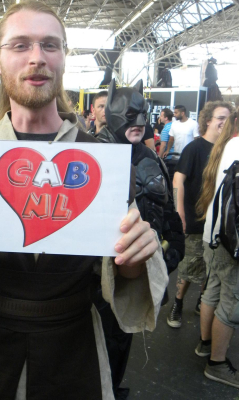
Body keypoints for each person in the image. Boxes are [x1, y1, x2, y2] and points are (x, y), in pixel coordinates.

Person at [0, 2, 167, 399]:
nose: (37, 57)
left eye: (49, 45)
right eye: (20, 45)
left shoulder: (99, 161)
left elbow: (125, 262)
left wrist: (134, 261)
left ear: (63, 57)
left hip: (75, 346)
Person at [96, 79, 184, 398]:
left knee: (123, 337)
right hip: (98, 277)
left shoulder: (150, 157)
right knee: (98, 346)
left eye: (143, 115)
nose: (140, 122)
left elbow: (167, 208)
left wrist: (173, 247)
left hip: (139, 270)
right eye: (130, 115)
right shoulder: (91, 155)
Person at [167, 101, 233, 329]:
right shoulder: (195, 148)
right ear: (208, 121)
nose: (225, 122)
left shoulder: (228, 149)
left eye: (228, 118)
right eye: (220, 118)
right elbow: (178, 180)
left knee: (210, 270)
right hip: (195, 221)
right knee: (188, 268)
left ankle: (201, 302)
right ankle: (177, 303)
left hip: (219, 223)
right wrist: (180, 213)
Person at [195, 111, 239, 387]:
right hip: (231, 240)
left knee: (212, 289)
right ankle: (217, 364)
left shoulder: (228, 144)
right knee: (232, 301)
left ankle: (206, 344)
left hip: (213, 233)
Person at [158, 108, 176, 182]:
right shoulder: (175, 126)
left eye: (161, 116)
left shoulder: (165, 129)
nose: (160, 117)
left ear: (166, 118)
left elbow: (163, 146)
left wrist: (159, 158)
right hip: (175, 156)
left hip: (168, 158)